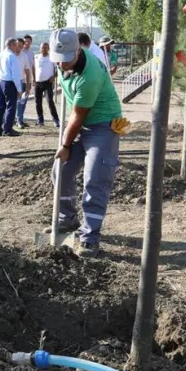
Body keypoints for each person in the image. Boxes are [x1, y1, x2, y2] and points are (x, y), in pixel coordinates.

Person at [46, 29, 123, 258]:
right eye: (57, 61)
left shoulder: (90, 75)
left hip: (103, 125)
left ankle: (90, 237)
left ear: (78, 50)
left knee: (95, 178)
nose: (61, 66)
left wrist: (66, 145)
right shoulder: (62, 63)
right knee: (61, 171)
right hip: (80, 121)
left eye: (66, 61)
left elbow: (78, 116)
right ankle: (67, 219)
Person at [0, 38, 23, 137]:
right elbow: (15, 75)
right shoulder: (12, 57)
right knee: (11, 107)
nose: (17, 47)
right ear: (12, 45)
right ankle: (8, 129)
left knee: (0, 107)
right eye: (16, 45)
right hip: (9, 83)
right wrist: (19, 89)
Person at [34, 42, 60, 127]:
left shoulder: (52, 58)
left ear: (48, 49)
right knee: (38, 102)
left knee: (50, 101)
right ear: (40, 48)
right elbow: (33, 68)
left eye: (45, 48)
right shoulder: (36, 57)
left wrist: (54, 76)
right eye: (42, 47)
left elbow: (58, 70)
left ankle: (56, 120)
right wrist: (33, 79)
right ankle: (40, 119)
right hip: (38, 83)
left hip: (48, 82)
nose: (43, 49)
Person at [16, 34, 36, 129]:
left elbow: (32, 67)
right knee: (19, 101)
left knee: (24, 101)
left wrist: (33, 79)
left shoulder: (31, 53)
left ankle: (21, 119)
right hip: (20, 80)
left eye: (28, 41)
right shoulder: (19, 53)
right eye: (25, 42)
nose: (27, 43)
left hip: (28, 80)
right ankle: (18, 120)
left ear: (31, 42)